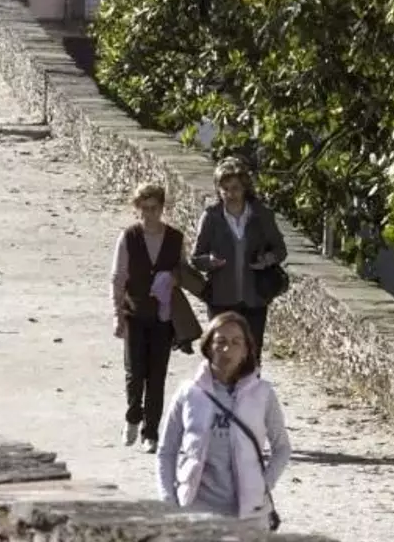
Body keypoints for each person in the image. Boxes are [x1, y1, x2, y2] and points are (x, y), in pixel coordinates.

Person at [157, 312, 291, 530]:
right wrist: (168, 500)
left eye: (236, 342)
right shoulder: (189, 393)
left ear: (246, 350)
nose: (227, 349)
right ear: (209, 347)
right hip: (196, 511)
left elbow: (282, 448)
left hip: (249, 515)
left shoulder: (263, 393)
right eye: (220, 342)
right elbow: (166, 451)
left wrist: (263, 485)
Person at [112, 182, 202, 452]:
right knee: (134, 372)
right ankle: (133, 416)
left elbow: (183, 271)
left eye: (154, 208)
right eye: (144, 208)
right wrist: (117, 315)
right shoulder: (128, 237)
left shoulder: (175, 238)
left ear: (163, 208)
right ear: (137, 209)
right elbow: (118, 278)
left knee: (157, 375)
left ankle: (151, 432)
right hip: (134, 313)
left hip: (163, 318)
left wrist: (174, 277)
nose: (149, 214)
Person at [190, 157, 289, 350]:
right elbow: (196, 258)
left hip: (254, 298)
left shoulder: (261, 215)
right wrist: (209, 261)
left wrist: (266, 260)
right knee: (221, 353)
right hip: (221, 299)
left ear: (245, 187)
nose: (230, 194)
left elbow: (280, 250)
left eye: (235, 188)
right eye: (224, 189)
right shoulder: (211, 217)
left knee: (251, 353)